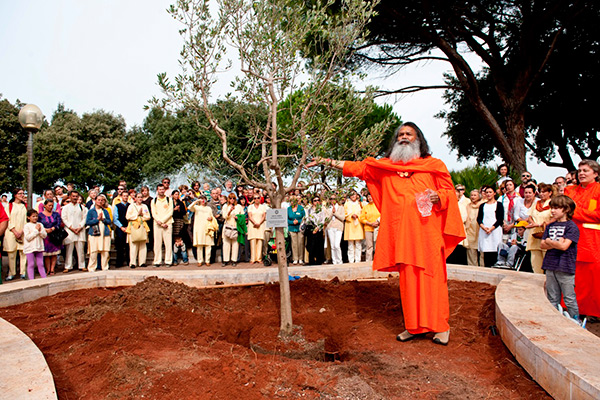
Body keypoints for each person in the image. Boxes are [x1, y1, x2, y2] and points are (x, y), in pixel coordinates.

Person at [310, 122, 465, 345]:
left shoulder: (433, 165)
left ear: (418, 139)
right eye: (400, 134)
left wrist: (438, 197)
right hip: (402, 236)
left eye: (409, 134)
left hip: (427, 235)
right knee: (408, 282)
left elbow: (449, 192)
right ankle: (414, 327)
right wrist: (327, 162)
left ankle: (441, 327)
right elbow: (358, 167)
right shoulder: (384, 167)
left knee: (433, 280)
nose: (404, 137)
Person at [564, 159, 600, 318]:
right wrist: (584, 215)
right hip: (570, 240)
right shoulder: (570, 191)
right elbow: (563, 210)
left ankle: (592, 312)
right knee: (571, 275)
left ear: (596, 174)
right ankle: (568, 308)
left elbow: (598, 215)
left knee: (592, 277)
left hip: (592, 242)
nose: (582, 174)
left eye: (586, 170)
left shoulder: (598, 190)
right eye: (580, 171)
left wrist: (575, 212)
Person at [540, 195, 581, 323]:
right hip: (550, 265)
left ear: (566, 209)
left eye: (556, 208)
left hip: (565, 266)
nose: (552, 211)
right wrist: (555, 242)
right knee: (552, 297)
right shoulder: (550, 226)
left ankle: (576, 321)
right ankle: (553, 321)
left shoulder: (571, 227)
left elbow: (564, 246)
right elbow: (542, 244)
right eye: (552, 207)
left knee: (569, 298)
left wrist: (550, 242)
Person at [526, 183, 554, 274]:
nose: (541, 194)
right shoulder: (536, 203)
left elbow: (554, 218)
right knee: (535, 262)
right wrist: (532, 222)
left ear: (550, 193)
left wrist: (540, 224)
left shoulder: (553, 203)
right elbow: (529, 215)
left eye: (544, 192)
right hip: (534, 234)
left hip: (546, 233)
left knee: (548, 261)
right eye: (540, 192)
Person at [477, 185, 504, 268]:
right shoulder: (482, 205)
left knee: (495, 250)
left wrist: (491, 228)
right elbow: (479, 218)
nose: (488, 194)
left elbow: (500, 219)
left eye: (490, 192)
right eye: (487, 192)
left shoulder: (498, 204)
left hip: (495, 230)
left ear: (494, 193)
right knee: (486, 252)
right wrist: (484, 227)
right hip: (484, 231)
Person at [4, 188, 28, 280]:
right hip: (11, 232)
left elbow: (26, 219)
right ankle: (11, 272)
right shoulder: (9, 206)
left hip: (22, 232)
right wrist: (14, 231)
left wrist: (22, 231)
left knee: (23, 252)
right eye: (20, 193)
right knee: (12, 253)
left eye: (23, 193)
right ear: (15, 195)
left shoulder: (24, 206)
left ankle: (23, 272)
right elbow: (7, 219)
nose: (22, 195)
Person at [62, 190, 88, 272]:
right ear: (70, 197)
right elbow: (64, 218)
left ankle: (82, 265)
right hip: (70, 230)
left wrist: (80, 227)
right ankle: (68, 266)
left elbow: (85, 218)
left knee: (80, 249)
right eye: (73, 196)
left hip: (80, 230)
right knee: (69, 250)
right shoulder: (65, 208)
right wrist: (71, 227)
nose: (75, 198)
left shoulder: (82, 207)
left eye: (76, 196)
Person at [85, 195, 112, 271]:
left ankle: (105, 267)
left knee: (105, 251)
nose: (100, 202)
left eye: (102, 200)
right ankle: (92, 268)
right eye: (99, 200)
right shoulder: (91, 211)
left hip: (105, 233)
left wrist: (103, 219)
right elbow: (88, 222)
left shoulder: (105, 211)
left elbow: (109, 221)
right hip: (94, 233)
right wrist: (97, 219)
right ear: (95, 201)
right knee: (94, 251)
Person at [151, 183, 174, 267]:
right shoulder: (154, 200)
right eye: (159, 189)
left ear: (165, 190)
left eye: (162, 189)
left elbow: (170, 212)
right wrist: (159, 222)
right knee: (157, 244)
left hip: (167, 224)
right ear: (157, 190)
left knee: (168, 243)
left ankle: (168, 261)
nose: (161, 191)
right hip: (157, 224)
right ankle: (157, 261)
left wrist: (163, 221)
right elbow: (153, 213)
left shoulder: (169, 200)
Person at [126, 193, 151, 268]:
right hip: (133, 226)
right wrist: (137, 214)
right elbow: (128, 216)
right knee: (133, 245)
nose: (140, 199)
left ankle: (142, 262)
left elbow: (148, 216)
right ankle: (133, 262)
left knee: (143, 245)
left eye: (141, 197)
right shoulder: (131, 206)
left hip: (143, 225)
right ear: (135, 198)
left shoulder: (144, 206)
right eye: (138, 197)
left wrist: (142, 216)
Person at [189, 195, 215, 266]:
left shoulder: (208, 208)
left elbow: (212, 216)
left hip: (207, 228)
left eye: (204, 199)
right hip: (199, 228)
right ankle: (200, 261)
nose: (203, 201)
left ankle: (207, 260)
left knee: (208, 245)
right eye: (201, 199)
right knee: (199, 245)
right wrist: (196, 201)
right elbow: (189, 207)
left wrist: (211, 218)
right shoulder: (196, 208)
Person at [23, 209, 48, 280]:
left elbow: (44, 235)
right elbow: (28, 237)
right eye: (33, 216)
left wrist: (40, 231)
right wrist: (36, 230)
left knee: (40, 264)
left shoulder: (40, 225)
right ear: (28, 217)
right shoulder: (27, 226)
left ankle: (44, 279)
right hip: (30, 248)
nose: (35, 218)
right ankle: (31, 280)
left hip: (39, 247)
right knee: (31, 264)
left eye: (36, 216)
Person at [221, 193, 243, 266]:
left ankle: (234, 260)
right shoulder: (225, 206)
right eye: (230, 198)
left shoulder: (239, 206)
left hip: (236, 226)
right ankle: (225, 260)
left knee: (235, 244)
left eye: (233, 198)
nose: (232, 200)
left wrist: (238, 217)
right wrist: (230, 211)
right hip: (227, 226)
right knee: (226, 244)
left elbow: (243, 216)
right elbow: (224, 216)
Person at [303, 196, 326, 265]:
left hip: (319, 229)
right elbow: (307, 219)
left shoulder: (322, 210)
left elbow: (323, 220)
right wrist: (313, 227)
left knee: (319, 246)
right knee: (311, 246)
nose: (316, 202)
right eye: (315, 200)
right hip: (311, 229)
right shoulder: (309, 210)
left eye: (318, 200)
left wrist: (318, 227)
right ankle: (311, 261)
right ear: (312, 202)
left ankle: (319, 261)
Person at [359, 193, 381, 262]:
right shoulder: (365, 207)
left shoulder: (378, 205)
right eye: (368, 196)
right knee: (369, 246)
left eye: (371, 196)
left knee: (377, 245)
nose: (370, 198)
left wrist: (377, 223)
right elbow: (362, 218)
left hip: (378, 228)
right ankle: (368, 261)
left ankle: (378, 260)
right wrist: (370, 224)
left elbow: (383, 214)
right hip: (368, 228)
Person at [344, 191, 364, 263]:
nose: (353, 196)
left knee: (358, 243)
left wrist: (357, 215)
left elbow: (363, 213)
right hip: (350, 225)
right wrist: (351, 216)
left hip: (358, 225)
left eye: (354, 194)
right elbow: (345, 214)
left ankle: (358, 260)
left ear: (357, 195)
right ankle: (351, 260)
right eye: (351, 194)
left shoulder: (360, 203)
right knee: (350, 244)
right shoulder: (346, 204)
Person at [325, 195, 345, 265]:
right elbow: (326, 220)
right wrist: (331, 213)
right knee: (332, 246)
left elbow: (343, 218)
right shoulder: (327, 208)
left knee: (337, 245)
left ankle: (339, 261)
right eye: (331, 198)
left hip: (338, 227)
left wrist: (335, 213)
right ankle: (334, 261)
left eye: (334, 198)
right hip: (330, 227)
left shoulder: (341, 208)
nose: (332, 200)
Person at [464, 189, 482, 266]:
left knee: (482, 252)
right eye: (472, 195)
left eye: (475, 195)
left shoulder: (482, 205)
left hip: (480, 230)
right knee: (471, 251)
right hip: (470, 230)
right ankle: (472, 268)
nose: (473, 197)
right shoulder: (468, 206)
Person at [112, 191, 130, 268]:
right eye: (124, 196)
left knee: (128, 246)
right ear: (121, 197)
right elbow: (115, 218)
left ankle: (129, 261)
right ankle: (119, 262)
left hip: (129, 227)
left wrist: (128, 227)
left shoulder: (131, 206)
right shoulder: (117, 206)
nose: (125, 197)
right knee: (120, 246)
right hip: (120, 228)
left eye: (126, 196)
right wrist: (121, 227)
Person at [248, 193, 267, 263]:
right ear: (253, 199)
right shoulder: (250, 207)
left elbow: (264, 216)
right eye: (255, 198)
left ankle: (259, 258)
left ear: (260, 199)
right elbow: (250, 216)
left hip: (260, 225)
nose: (256, 199)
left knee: (260, 242)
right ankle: (253, 259)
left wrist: (259, 223)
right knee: (252, 242)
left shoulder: (263, 207)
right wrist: (255, 223)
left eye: (258, 198)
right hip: (252, 226)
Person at [287, 196, 306, 265]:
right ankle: (295, 258)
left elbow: (304, 217)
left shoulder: (301, 208)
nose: (292, 202)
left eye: (294, 201)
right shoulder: (288, 209)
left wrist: (298, 221)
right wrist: (292, 222)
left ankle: (301, 258)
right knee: (294, 244)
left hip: (300, 228)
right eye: (291, 201)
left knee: (300, 243)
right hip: (292, 228)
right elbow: (286, 219)